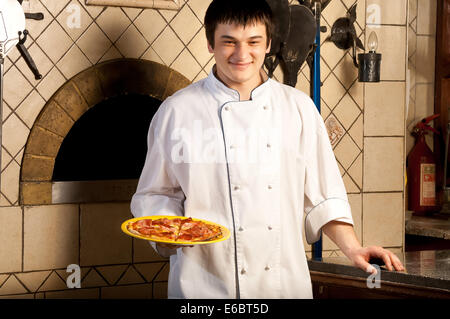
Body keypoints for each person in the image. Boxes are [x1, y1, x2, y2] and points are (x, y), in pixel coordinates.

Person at [130, 0, 404, 299]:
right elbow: (155, 194)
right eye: (229, 42)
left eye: (253, 42)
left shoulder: (298, 108)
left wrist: (353, 248)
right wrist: (169, 236)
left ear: (268, 44)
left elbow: (325, 195)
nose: (242, 54)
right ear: (210, 43)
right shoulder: (177, 112)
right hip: (203, 287)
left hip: (282, 285)